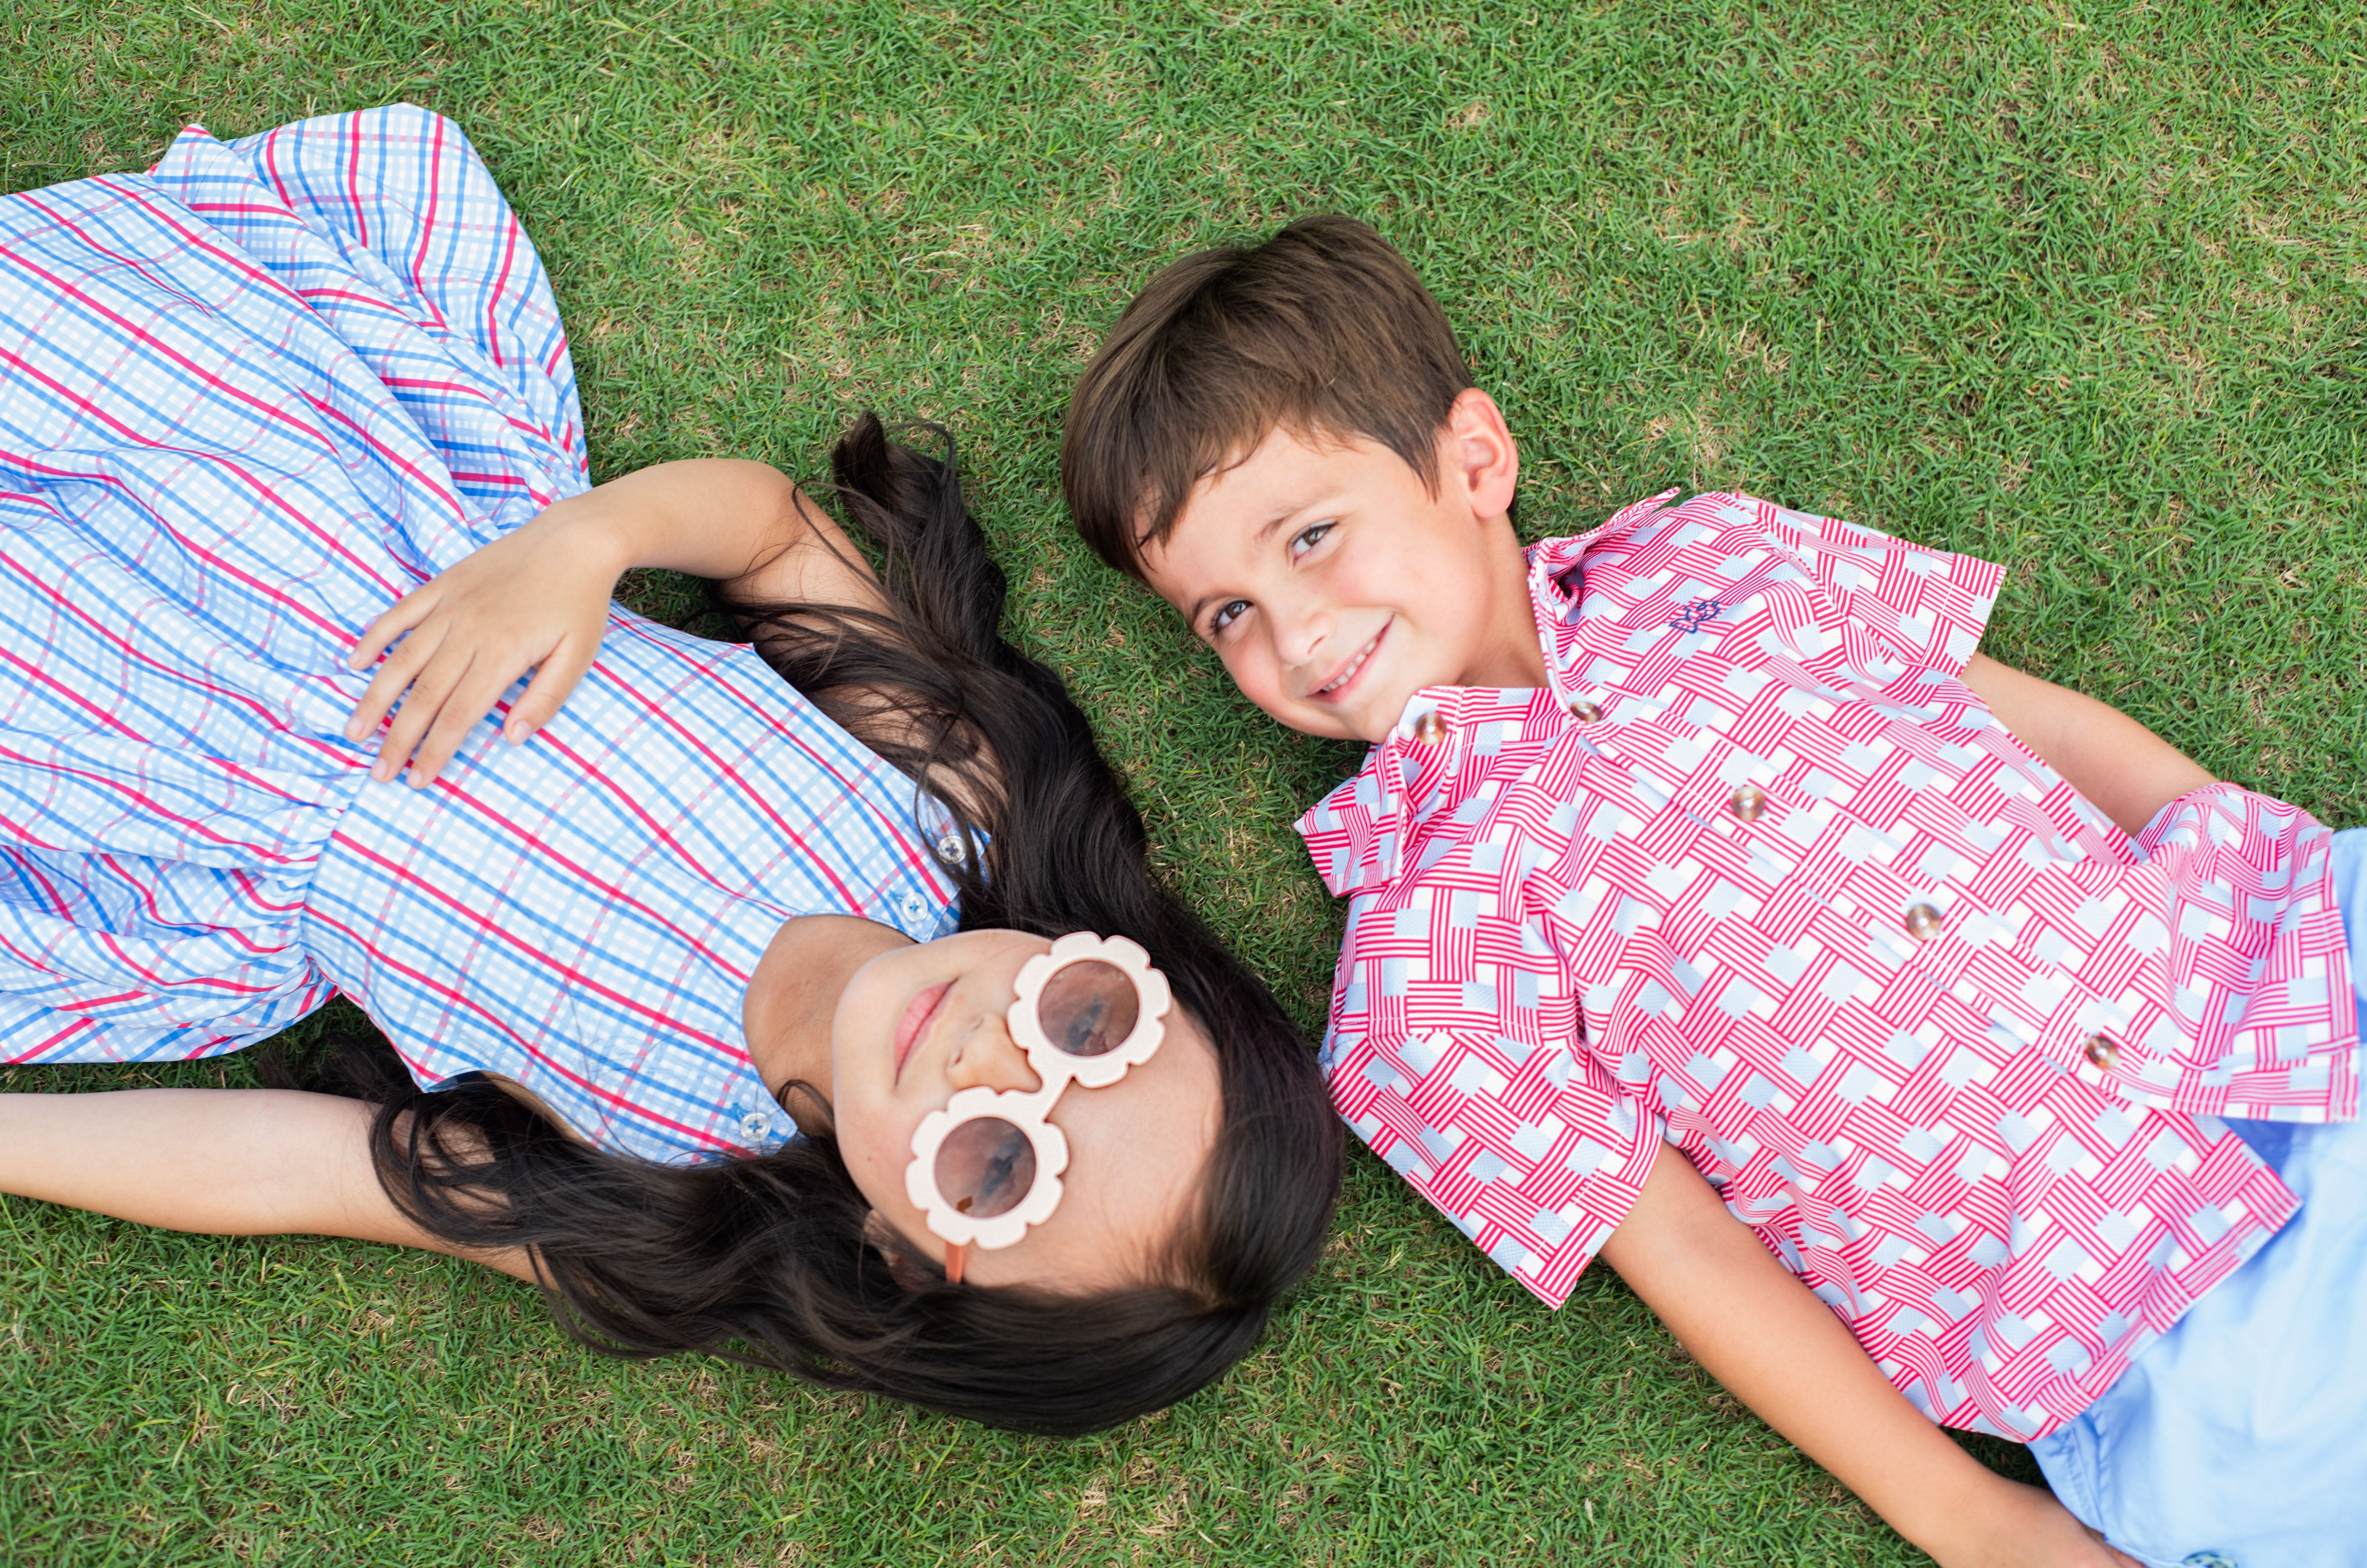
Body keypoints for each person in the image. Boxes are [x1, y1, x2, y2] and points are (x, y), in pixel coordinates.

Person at [0, 106, 1341, 1439]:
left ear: (901, 1255)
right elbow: (767, 532)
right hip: (363, 527)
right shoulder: (951, 804)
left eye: (995, 1162)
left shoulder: (657, 1195)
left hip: (159, 772)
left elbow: (312, 1165)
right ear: (1108, 952)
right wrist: (587, 543)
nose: (995, 1055)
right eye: (1088, 1026)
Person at [1059, 214, 2366, 1562]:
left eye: (1312, 536)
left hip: (2290, 966)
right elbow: (1687, 1251)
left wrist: (2259, 851)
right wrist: (1976, 1520)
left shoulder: (1718, 557)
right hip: (2155, 1314)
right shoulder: (1420, 975)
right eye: (1225, 616)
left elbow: (2021, 721)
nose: (1292, 632)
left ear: (1473, 457)